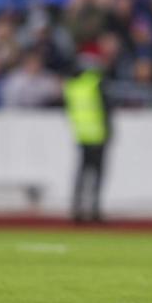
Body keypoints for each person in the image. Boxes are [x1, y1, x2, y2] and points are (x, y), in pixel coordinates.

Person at [63, 56, 114, 224]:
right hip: (98, 135)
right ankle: (94, 209)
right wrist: (109, 131)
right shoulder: (96, 83)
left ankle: (77, 208)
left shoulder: (72, 86)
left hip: (81, 135)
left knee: (81, 173)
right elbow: (107, 108)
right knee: (97, 174)